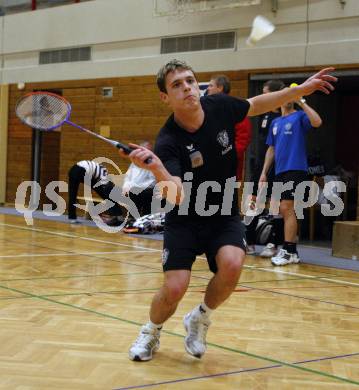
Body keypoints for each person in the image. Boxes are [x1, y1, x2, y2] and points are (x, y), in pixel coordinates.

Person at [118, 60, 336, 361]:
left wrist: (301, 89)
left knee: (233, 263)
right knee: (175, 287)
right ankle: (151, 331)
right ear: (165, 97)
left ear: (198, 85)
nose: (187, 88)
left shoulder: (219, 106)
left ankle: (199, 318)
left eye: (190, 81)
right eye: (177, 85)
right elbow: (176, 194)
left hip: (222, 212)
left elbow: (257, 104)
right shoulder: (168, 140)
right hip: (184, 218)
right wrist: (156, 168)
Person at [259, 91, 323, 266]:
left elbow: (317, 121)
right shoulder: (275, 122)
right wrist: (264, 172)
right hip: (280, 171)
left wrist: (302, 102)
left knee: (288, 208)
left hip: (296, 168)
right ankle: (291, 251)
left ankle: (288, 250)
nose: (288, 98)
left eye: (291, 95)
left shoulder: (300, 116)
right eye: (285, 95)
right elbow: (271, 149)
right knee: (281, 209)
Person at [246, 80, 285, 257]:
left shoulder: (283, 116)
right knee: (254, 202)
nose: (262, 96)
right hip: (260, 164)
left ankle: (274, 243)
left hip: (278, 167)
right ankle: (249, 241)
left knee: (275, 205)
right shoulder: (264, 114)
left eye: (266, 92)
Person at [207, 74, 252, 181]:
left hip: (229, 168)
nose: (208, 88)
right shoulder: (208, 110)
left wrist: (225, 156)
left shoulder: (235, 109)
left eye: (211, 85)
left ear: (220, 88)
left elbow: (242, 140)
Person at [122, 141, 156, 216]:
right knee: (131, 193)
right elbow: (128, 176)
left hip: (147, 191)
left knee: (145, 194)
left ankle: (144, 220)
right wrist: (126, 186)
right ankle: (132, 220)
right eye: (142, 151)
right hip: (134, 191)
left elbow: (152, 182)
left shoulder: (152, 162)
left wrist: (136, 187)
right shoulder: (134, 162)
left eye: (147, 151)